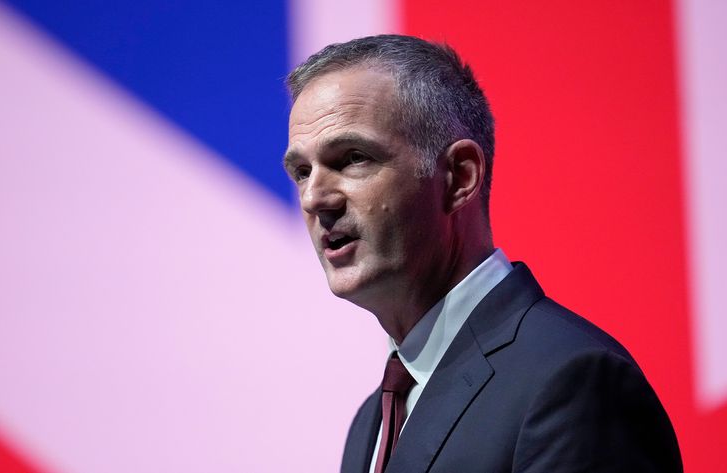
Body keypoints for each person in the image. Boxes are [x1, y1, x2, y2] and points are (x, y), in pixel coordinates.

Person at [283, 35, 682, 473]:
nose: (314, 197)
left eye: (352, 158)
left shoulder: (573, 382)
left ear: (459, 177)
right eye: (302, 172)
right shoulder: (371, 422)